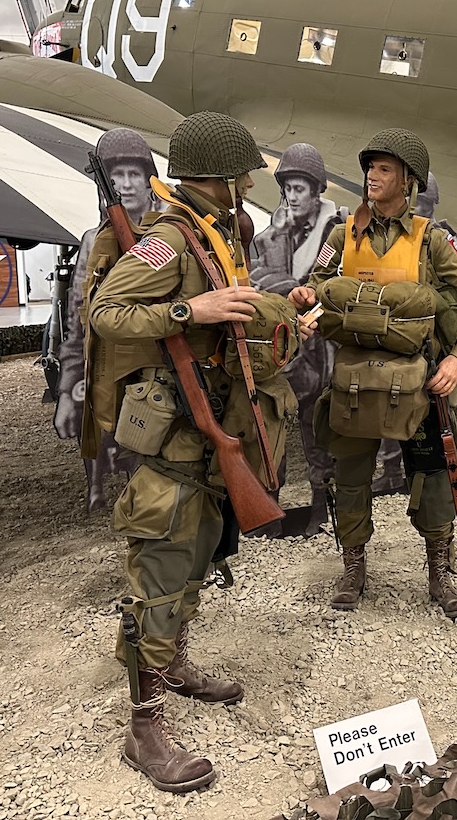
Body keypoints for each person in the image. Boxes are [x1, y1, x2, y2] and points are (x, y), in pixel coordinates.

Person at [88, 112, 308, 793]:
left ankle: (176, 663)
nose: (246, 185)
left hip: (216, 426)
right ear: (216, 180)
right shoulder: (166, 241)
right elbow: (105, 312)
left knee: (198, 559)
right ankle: (143, 725)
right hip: (177, 434)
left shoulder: (220, 232)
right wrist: (191, 313)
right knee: (158, 571)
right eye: (239, 175)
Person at [291, 129, 457, 619]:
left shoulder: (434, 240)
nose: (372, 176)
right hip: (355, 379)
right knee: (352, 476)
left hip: (418, 380)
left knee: (434, 477)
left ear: (408, 180)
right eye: (370, 168)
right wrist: (305, 304)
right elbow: (316, 286)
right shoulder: (341, 235)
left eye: (384, 169)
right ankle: (354, 565)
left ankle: (439, 570)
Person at [53, 128, 157, 510]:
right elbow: (78, 322)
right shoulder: (92, 241)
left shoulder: (170, 232)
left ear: (150, 181)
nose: (126, 185)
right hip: (105, 364)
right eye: (116, 177)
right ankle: (102, 491)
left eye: (134, 175)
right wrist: (67, 390)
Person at [250, 143, 344, 533]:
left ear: (316, 190)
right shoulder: (265, 239)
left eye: (299, 188)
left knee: (321, 434)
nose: (291, 195)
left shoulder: (338, 236)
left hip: (322, 352)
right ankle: (269, 513)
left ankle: (324, 510)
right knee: (270, 435)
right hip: (280, 351)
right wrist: (291, 288)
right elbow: (255, 279)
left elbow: (342, 284)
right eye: (287, 187)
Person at [370, 172, 457, 497]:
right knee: (389, 408)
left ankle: (438, 500)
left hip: (432, 345)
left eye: (424, 203)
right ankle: (392, 471)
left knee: (434, 426)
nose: (417, 209)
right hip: (394, 338)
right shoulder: (391, 238)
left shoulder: (442, 240)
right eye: (414, 202)